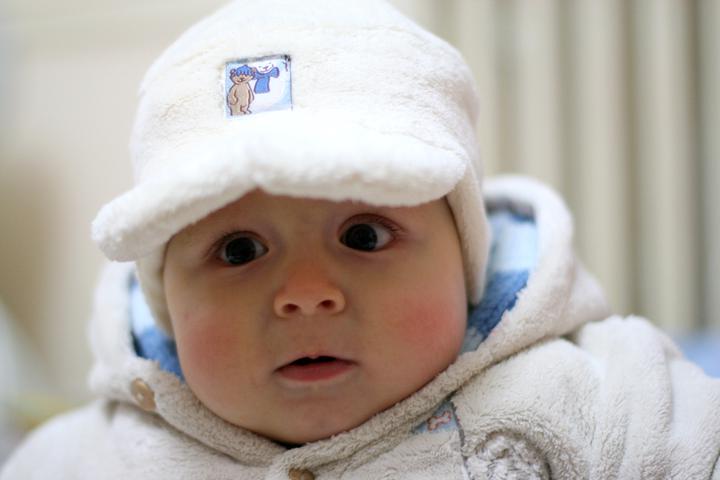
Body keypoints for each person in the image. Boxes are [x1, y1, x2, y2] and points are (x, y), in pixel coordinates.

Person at [3, 0, 719, 478]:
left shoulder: (586, 396)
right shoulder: (87, 459)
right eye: (238, 250)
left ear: (464, 258)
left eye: (365, 235)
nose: (306, 294)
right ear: (164, 296)